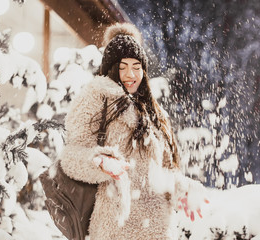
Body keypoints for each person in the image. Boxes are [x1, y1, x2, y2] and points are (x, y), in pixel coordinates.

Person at [59, 22, 208, 240]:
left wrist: (182, 188)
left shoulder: (152, 110)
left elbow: (164, 170)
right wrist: (99, 162)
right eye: (123, 66)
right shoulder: (95, 98)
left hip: (158, 229)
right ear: (111, 67)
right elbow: (71, 157)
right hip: (115, 227)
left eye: (137, 67)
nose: (131, 74)